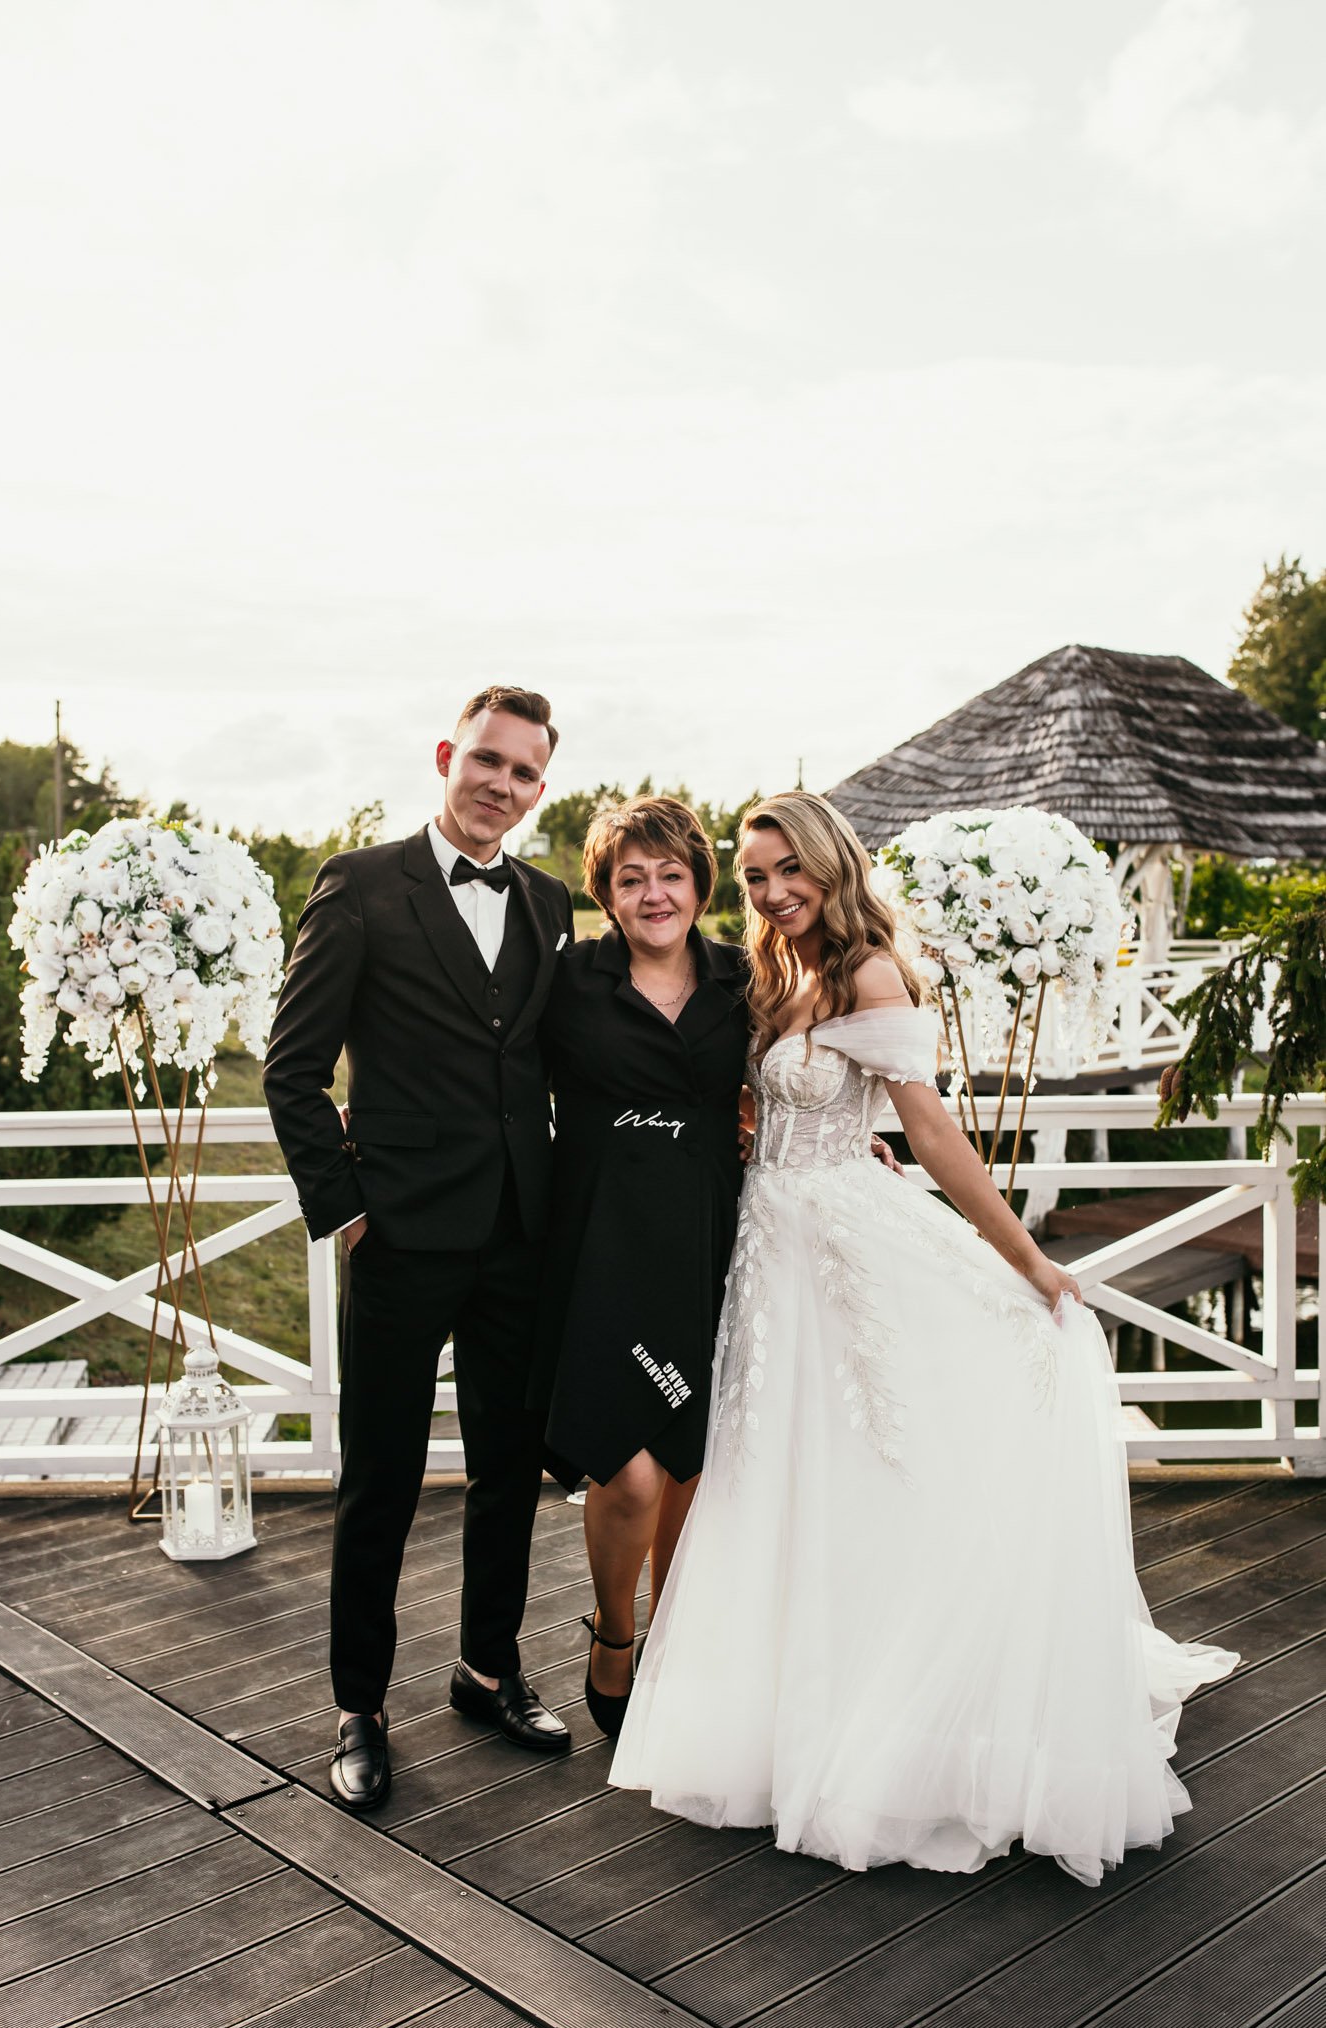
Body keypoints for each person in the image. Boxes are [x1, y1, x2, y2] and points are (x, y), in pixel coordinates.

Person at [611, 791, 1239, 1885]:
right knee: (780, 1463)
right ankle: (784, 1703)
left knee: (873, 1455)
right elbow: (757, 1101)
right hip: (767, 1247)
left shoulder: (868, 971)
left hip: (843, 1241)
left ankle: (894, 1710)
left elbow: (933, 1127)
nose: (772, 891)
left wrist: (1027, 1259)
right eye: (754, 876)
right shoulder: (770, 966)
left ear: (829, 862)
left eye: (788, 869)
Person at [264, 687, 575, 1813]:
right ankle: (360, 1704)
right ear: (449, 756)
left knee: (508, 1471)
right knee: (381, 1477)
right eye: (487, 759)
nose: (502, 784)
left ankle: (487, 1670)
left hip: (519, 1235)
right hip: (399, 1236)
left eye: (524, 772)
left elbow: (558, 1058)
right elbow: (292, 1069)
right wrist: (346, 1210)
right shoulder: (360, 885)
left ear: (540, 788)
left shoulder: (549, 901)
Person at [529, 796, 751, 1737]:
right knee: (627, 1471)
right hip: (599, 1251)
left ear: (699, 883)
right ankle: (613, 1633)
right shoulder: (568, 980)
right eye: (631, 879)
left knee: (688, 1458)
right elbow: (485, 1067)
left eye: (670, 875)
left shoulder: (746, 978)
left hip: (708, 1243)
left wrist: (848, 1138)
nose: (653, 894)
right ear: (605, 894)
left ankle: (676, 1640)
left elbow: (806, 1069)